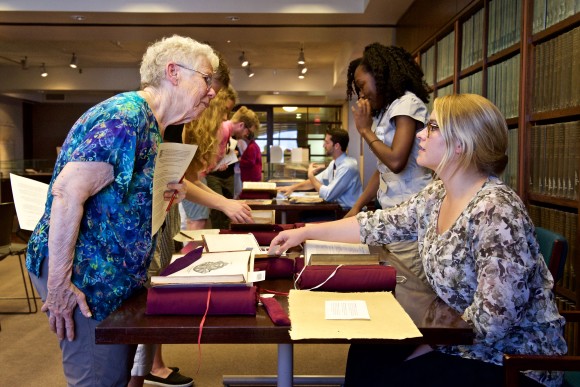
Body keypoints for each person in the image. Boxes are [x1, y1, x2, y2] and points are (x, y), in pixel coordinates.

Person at [268, 94, 567, 387]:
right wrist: (305, 231)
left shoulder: (496, 210)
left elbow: (494, 321)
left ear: (461, 144)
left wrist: (423, 347)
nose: (421, 135)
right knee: (366, 350)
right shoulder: (437, 194)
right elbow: (377, 225)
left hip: (508, 361)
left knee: (388, 375)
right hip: (459, 338)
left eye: (433, 128)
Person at [25, 35, 218, 386]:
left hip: (110, 276)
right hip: (84, 277)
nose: (212, 91)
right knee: (99, 380)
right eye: (207, 78)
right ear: (173, 72)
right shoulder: (126, 116)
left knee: (117, 375)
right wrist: (58, 287)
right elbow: (68, 193)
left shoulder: (151, 123)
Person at [344, 43, 434, 281]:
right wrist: (357, 206)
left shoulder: (407, 103)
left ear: (380, 76)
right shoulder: (386, 112)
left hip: (411, 213)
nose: (362, 95)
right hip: (392, 215)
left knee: (410, 287)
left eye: (362, 86)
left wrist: (364, 131)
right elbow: (383, 171)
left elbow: (396, 161)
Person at [180, 85, 239, 230]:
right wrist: (224, 203)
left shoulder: (195, 132)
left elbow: (193, 179)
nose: (225, 117)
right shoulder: (183, 128)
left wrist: (225, 202)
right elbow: (185, 181)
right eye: (224, 110)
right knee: (197, 223)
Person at [277, 128, 362, 211]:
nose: (323, 145)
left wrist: (311, 175)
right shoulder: (334, 164)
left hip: (349, 213)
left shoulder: (347, 167)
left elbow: (328, 195)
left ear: (336, 146)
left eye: (327, 142)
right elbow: (314, 182)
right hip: (336, 210)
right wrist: (292, 188)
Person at [207, 106, 261, 229]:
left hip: (218, 174)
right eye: (249, 131)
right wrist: (214, 166)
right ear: (241, 125)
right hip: (206, 176)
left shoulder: (226, 132)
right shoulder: (224, 130)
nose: (247, 135)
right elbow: (206, 161)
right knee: (218, 211)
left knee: (225, 208)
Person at [238, 112, 262, 182]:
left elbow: (250, 162)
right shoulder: (253, 146)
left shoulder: (252, 147)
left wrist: (240, 160)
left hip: (251, 177)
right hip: (252, 176)